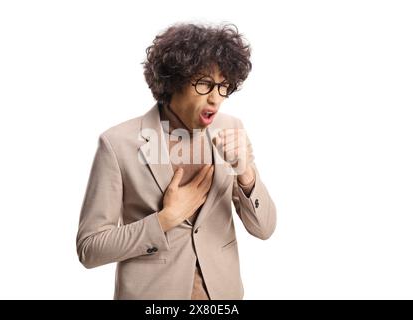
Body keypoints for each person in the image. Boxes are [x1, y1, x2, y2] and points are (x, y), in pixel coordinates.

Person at [76, 22, 277, 300]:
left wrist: (246, 175)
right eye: (205, 83)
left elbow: (264, 228)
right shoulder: (117, 143)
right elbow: (90, 248)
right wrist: (164, 220)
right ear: (173, 81)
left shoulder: (231, 128)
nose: (216, 98)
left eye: (223, 86)